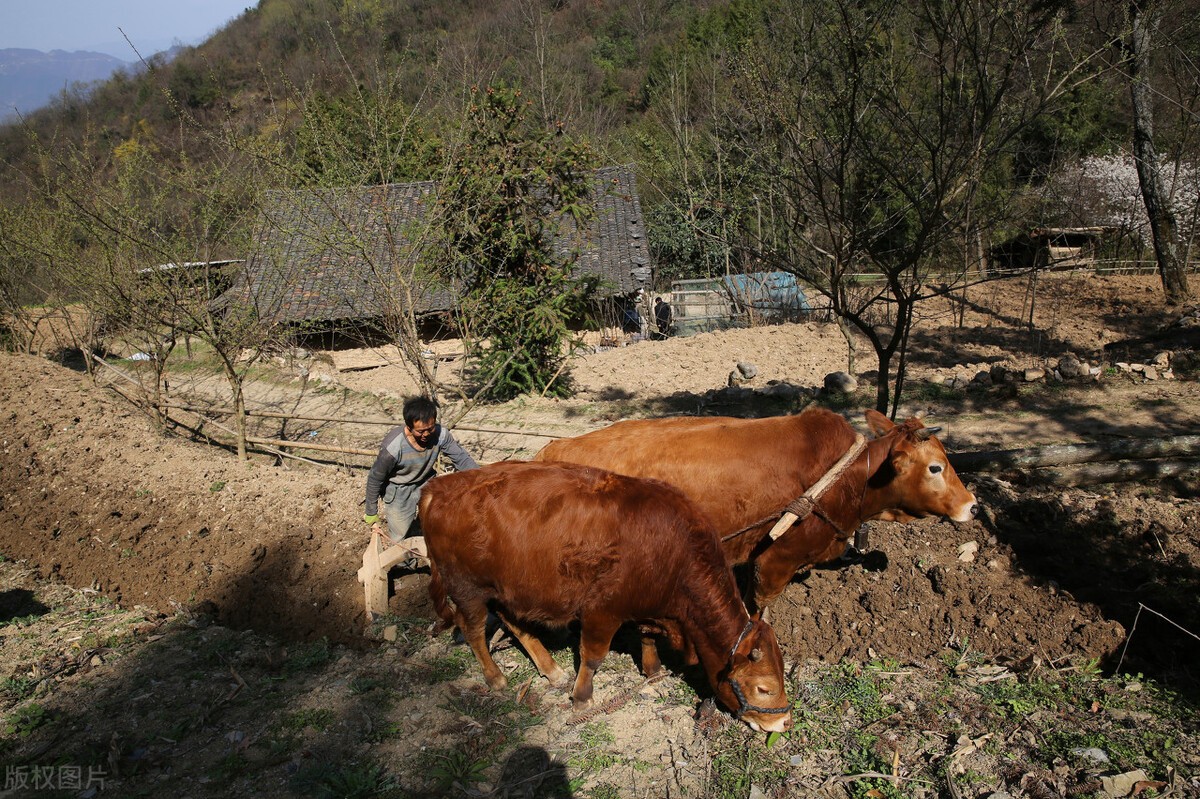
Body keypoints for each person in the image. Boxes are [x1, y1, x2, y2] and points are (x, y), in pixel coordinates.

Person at [363, 395, 478, 567]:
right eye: (420, 431)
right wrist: (371, 512)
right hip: (398, 489)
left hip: (426, 482)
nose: (426, 435)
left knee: (438, 522)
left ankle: (437, 559)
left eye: (429, 429)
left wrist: (481, 479)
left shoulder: (440, 434)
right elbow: (375, 479)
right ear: (409, 427)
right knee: (400, 536)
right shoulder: (393, 446)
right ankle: (406, 569)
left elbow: (461, 459)